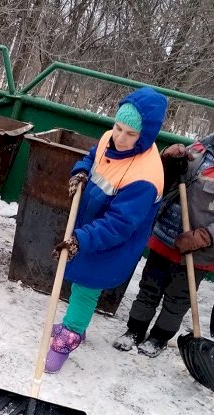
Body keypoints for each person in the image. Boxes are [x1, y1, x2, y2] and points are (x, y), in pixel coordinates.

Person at [113, 101, 214, 357]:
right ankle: (134, 330)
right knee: (149, 287)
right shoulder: (198, 149)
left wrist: (203, 237)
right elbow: (166, 180)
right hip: (166, 237)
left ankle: (159, 338)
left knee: (178, 298)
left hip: (198, 251)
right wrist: (167, 159)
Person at [44, 86, 168, 373]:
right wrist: (81, 170)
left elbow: (118, 225)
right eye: (118, 127)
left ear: (146, 135)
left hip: (111, 244)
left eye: (130, 134)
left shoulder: (145, 177)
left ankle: (69, 336)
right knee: (79, 281)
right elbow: (92, 156)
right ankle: (78, 325)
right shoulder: (108, 140)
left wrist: (80, 240)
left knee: (87, 287)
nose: (120, 138)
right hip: (90, 228)